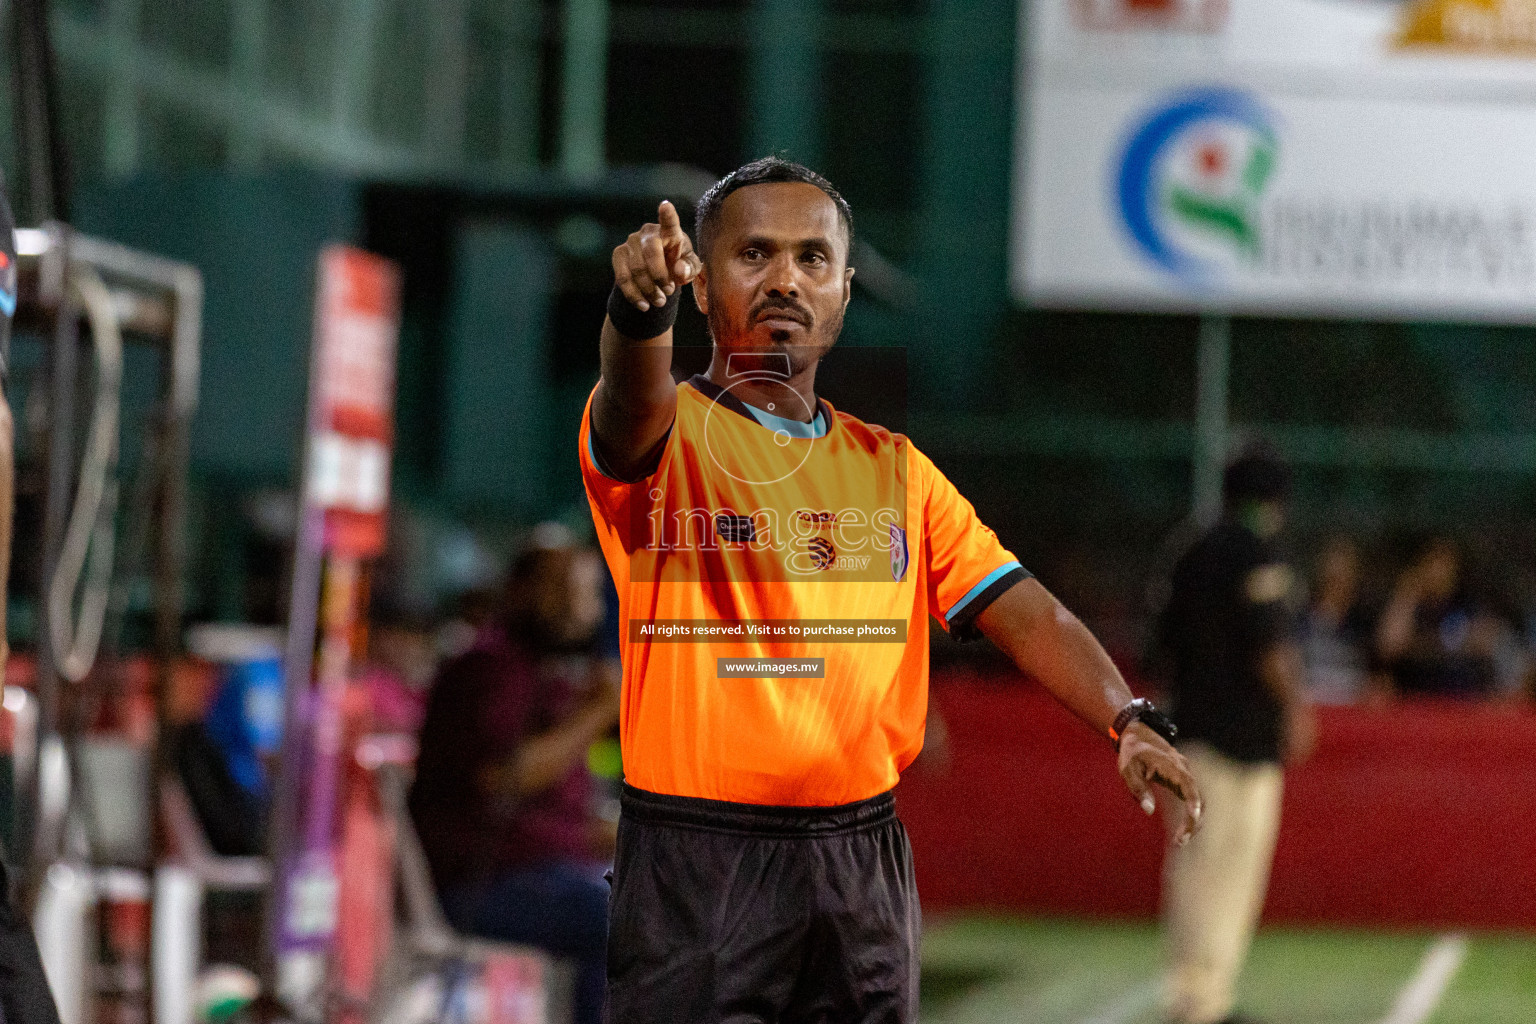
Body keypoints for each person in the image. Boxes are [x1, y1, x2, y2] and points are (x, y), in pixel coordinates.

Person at [580, 156, 1200, 1023]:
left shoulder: (897, 472)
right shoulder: (669, 439)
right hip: (697, 862)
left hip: (859, 858)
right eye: (753, 255)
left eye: (812, 258)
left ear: (844, 289)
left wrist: (1126, 718)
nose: (785, 279)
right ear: (703, 279)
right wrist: (638, 309)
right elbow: (629, 398)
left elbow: (1029, 613)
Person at [408, 524, 619, 1024]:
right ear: (522, 590)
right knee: (620, 921)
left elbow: (553, 816)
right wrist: (596, 714)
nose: (579, 609)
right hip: (480, 886)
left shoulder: (554, 677)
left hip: (548, 873)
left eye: (586, 594)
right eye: (564, 590)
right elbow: (503, 778)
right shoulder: (488, 668)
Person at [1153, 444, 1314, 1024]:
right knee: (1230, 875)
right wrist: (1296, 707)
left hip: (1191, 729)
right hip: (1242, 739)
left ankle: (1204, 999)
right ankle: (1202, 1002)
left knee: (1197, 871)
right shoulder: (1258, 552)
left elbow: (1162, 642)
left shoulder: (1190, 551)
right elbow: (1270, 644)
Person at [1375, 536, 1505, 698]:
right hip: (1415, 699)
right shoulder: (1411, 604)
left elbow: (1485, 643)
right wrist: (1407, 592)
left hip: (1462, 700)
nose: (1439, 571)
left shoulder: (1465, 603)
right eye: (1433, 563)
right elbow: (1390, 646)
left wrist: (1419, 646)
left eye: (1445, 564)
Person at [1299, 535, 1376, 705]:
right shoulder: (1300, 618)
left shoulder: (1363, 620)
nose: (1337, 583)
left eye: (1343, 576)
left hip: (1352, 711)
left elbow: (1379, 675)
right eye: (1332, 577)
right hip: (1310, 706)